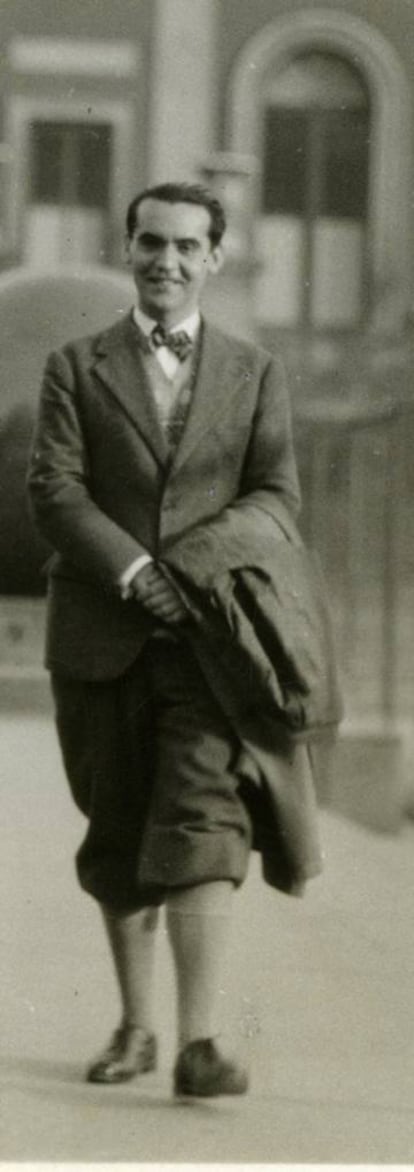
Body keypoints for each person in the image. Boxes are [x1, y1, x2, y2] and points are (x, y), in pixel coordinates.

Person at [28, 181, 322, 1098]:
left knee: (205, 820)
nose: (167, 262)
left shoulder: (256, 371)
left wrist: (187, 568)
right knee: (116, 827)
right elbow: (56, 488)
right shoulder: (76, 366)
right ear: (128, 250)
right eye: (151, 244)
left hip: (208, 642)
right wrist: (130, 571)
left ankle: (198, 1044)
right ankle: (136, 1027)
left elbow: (276, 495)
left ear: (215, 260)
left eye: (187, 247)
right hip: (100, 637)